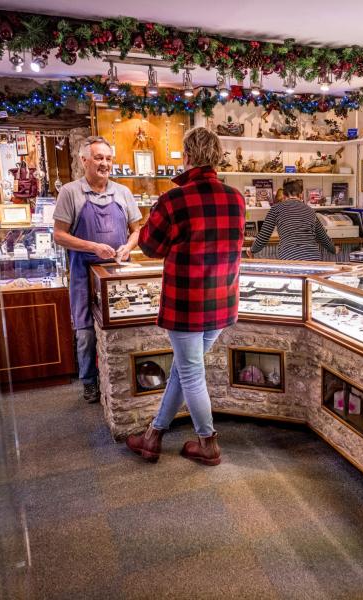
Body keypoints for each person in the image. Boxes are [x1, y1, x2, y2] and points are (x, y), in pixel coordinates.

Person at [125, 127, 245, 466]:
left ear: (187, 156)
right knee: (184, 368)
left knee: (191, 373)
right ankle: (153, 436)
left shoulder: (173, 199)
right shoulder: (236, 197)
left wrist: (149, 221)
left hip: (186, 303)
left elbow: (149, 246)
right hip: (222, 301)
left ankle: (207, 442)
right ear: (217, 157)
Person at [53, 136, 141, 404]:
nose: (105, 163)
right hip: (83, 274)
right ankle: (90, 382)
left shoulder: (123, 192)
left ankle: (120, 379)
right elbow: (59, 235)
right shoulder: (70, 192)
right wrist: (92, 247)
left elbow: (137, 229)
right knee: (86, 334)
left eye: (108, 158)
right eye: (99, 158)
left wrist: (127, 247)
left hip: (117, 274)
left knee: (122, 327)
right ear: (84, 161)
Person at [247, 179, 337, 261]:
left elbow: (263, 237)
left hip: (290, 258)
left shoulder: (276, 209)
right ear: (300, 195)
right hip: (313, 259)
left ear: (284, 195)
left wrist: (252, 250)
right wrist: (334, 249)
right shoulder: (310, 210)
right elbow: (323, 237)